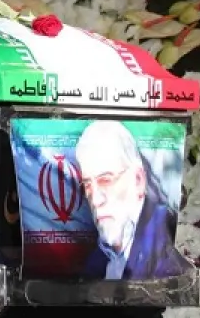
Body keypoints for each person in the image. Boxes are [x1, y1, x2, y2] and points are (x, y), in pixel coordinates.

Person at [75, 120, 191, 280]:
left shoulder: (164, 251)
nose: (95, 199)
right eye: (87, 185)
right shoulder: (97, 261)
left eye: (106, 180)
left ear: (138, 180)